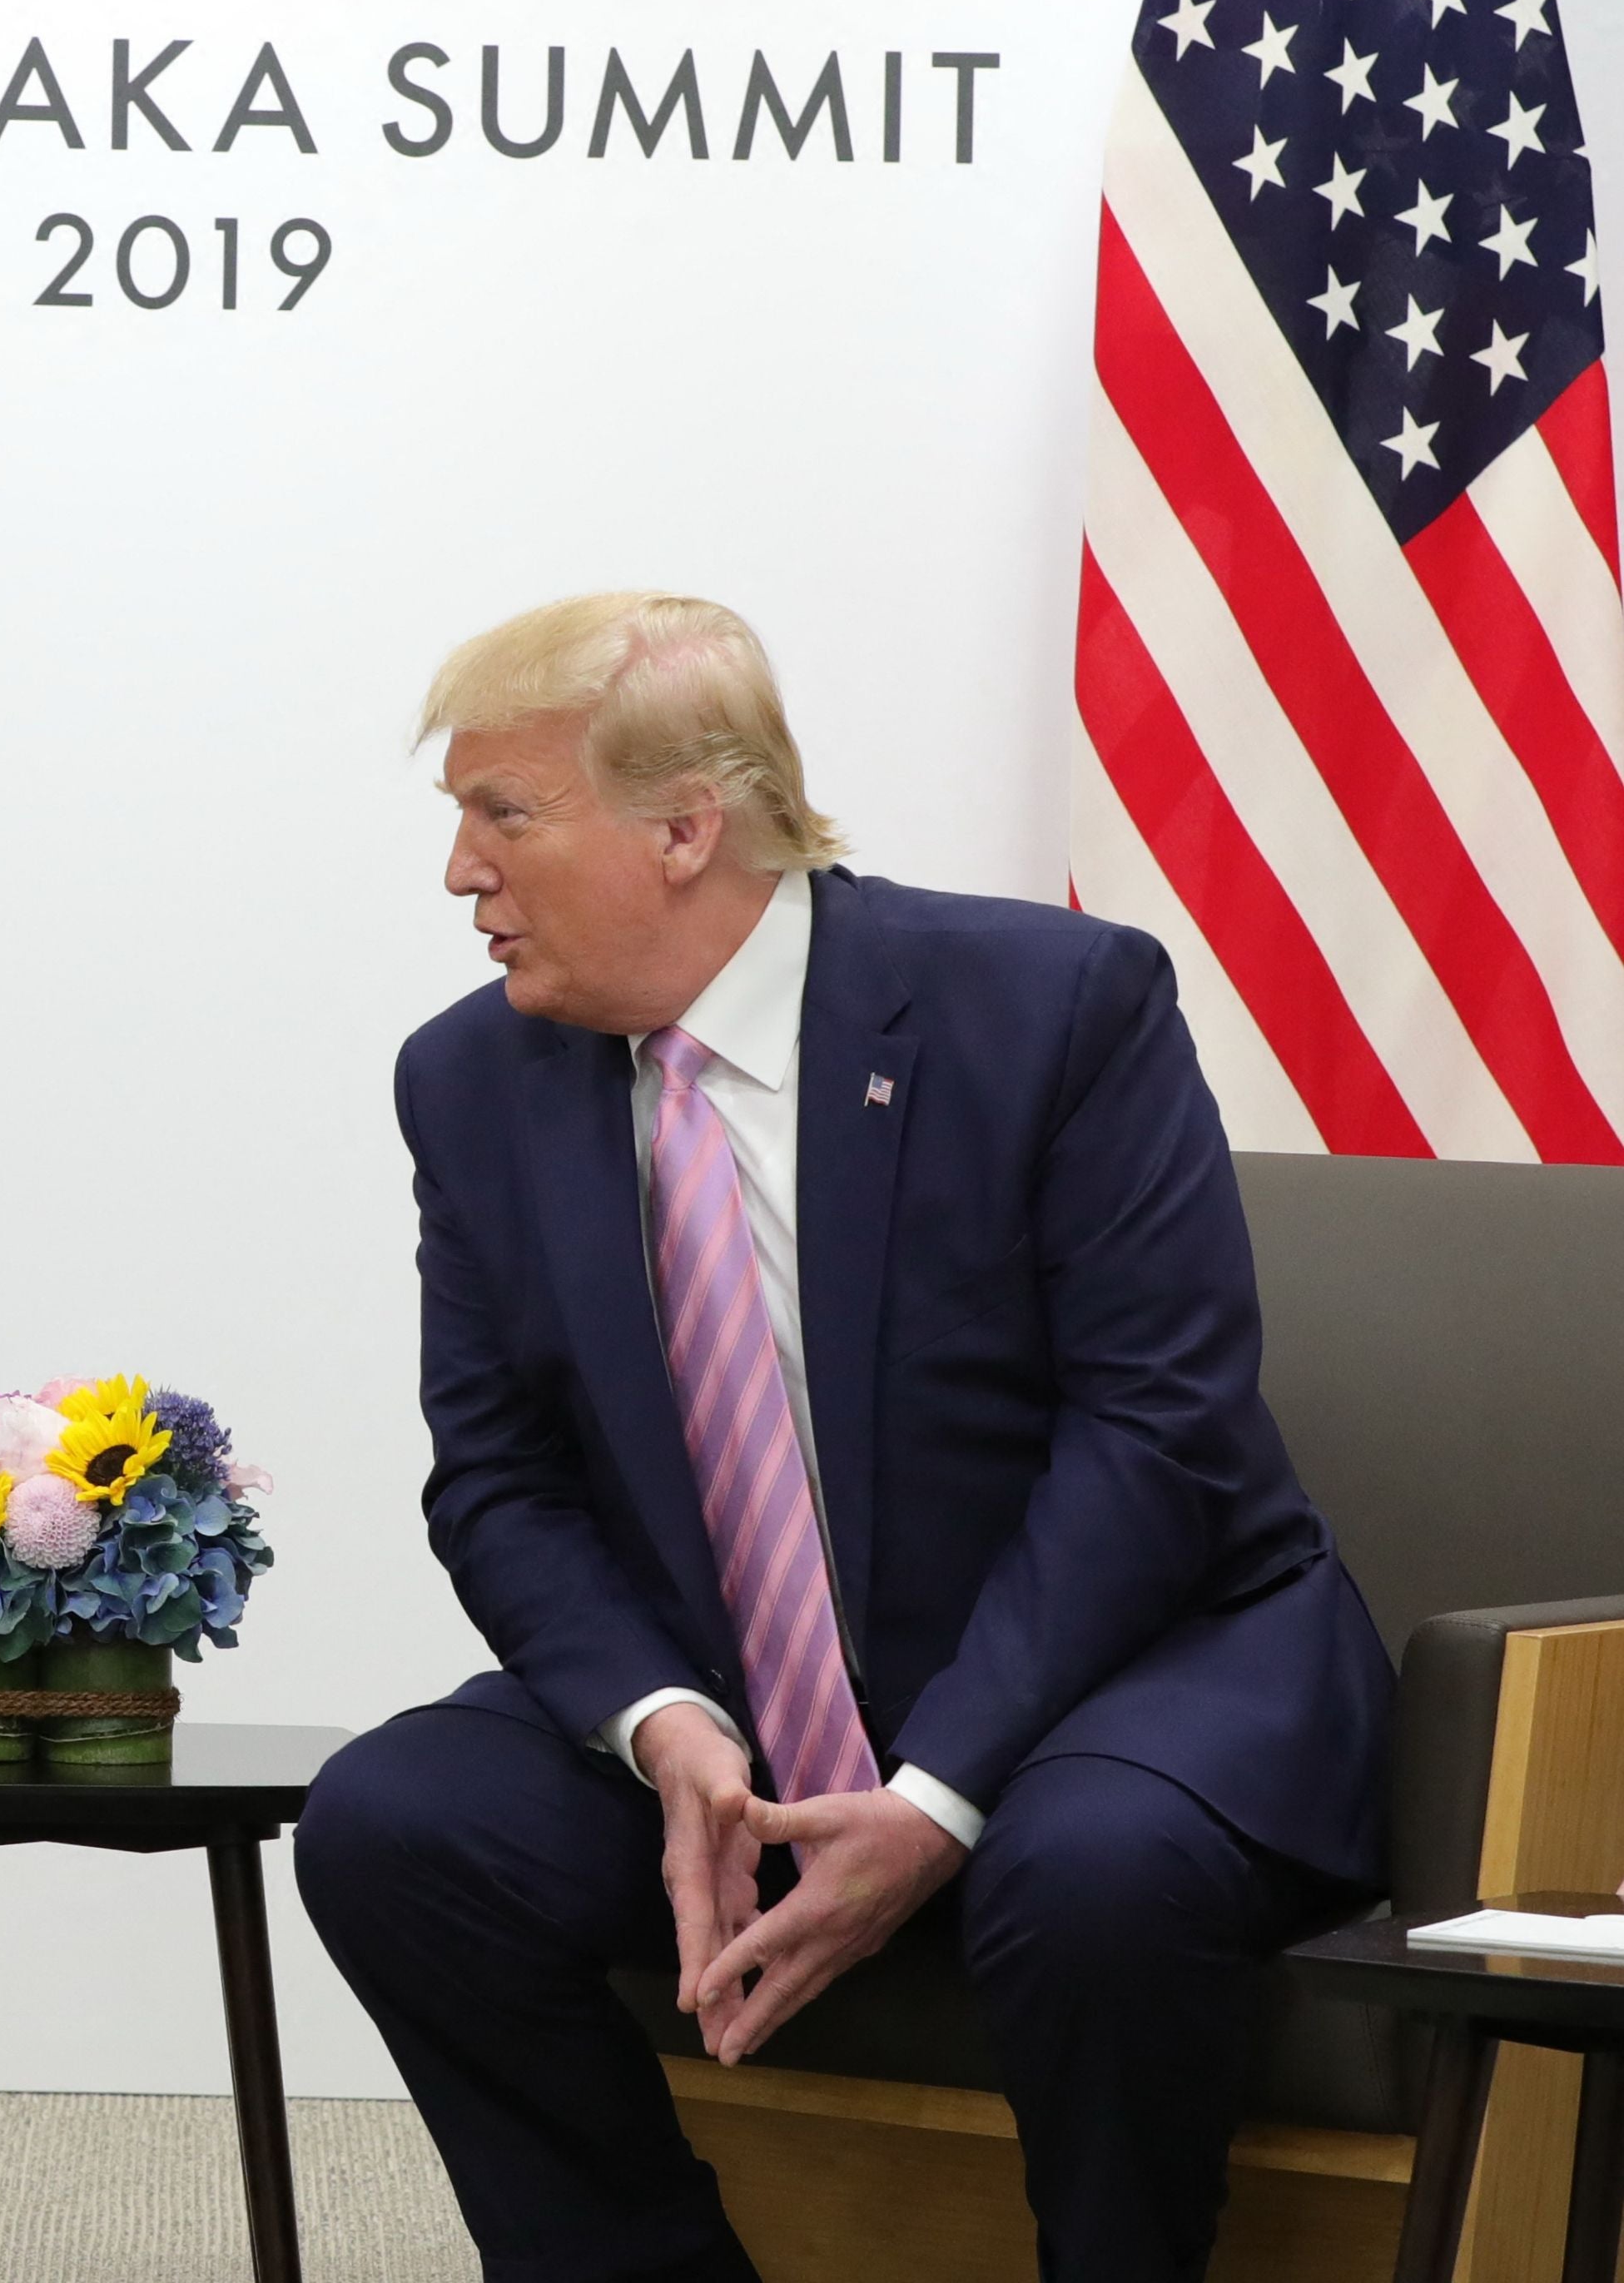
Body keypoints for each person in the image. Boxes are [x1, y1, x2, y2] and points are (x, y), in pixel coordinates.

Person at [294, 592, 1393, 2283]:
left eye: (501, 813)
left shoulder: (1053, 1005)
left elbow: (1155, 1434)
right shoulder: (472, 1080)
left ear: (682, 827)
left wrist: (940, 1786)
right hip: (744, 1693)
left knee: (1089, 1877)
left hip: (1130, 1665)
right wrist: (662, 1725)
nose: (460, 871)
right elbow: (499, 1476)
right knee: (391, 1825)